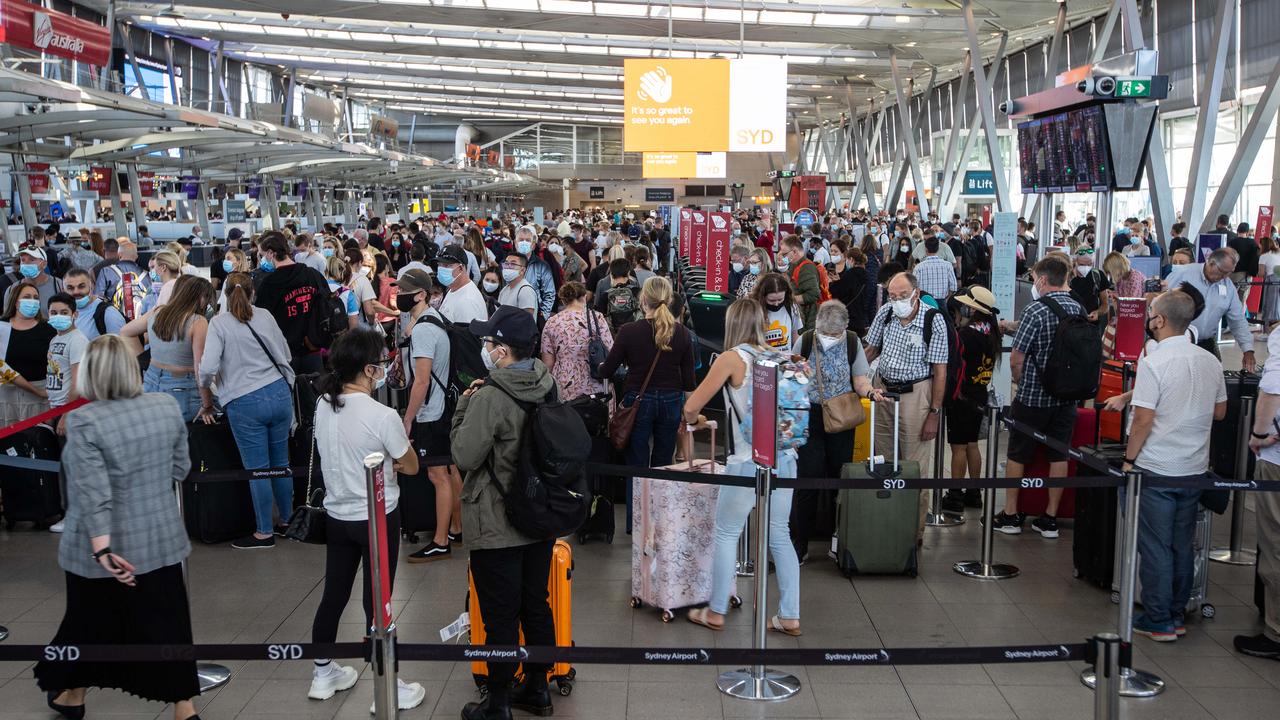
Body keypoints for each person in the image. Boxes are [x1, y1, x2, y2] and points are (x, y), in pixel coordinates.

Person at [33, 335, 200, 720]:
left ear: (90, 374)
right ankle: (184, 707)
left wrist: (104, 548)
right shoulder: (164, 407)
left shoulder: (85, 420)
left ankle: (74, 695)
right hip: (160, 540)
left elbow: (93, 493)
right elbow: (181, 469)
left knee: (88, 623)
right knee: (168, 624)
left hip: (100, 551)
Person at [448, 306, 560, 720]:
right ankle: (537, 688)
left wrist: (464, 407)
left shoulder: (491, 396)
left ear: (503, 352)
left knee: (499, 612)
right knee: (536, 602)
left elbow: (464, 454)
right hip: (540, 513)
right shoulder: (547, 383)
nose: (484, 348)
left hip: (497, 519)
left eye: (488, 343)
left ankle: (497, 702)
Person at [306, 328, 426, 710]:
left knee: (333, 595)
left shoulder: (323, 404)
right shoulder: (383, 414)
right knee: (378, 600)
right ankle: (385, 684)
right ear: (370, 370)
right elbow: (410, 465)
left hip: (337, 515)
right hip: (377, 517)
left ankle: (323, 673)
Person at [683, 298, 802, 635]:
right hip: (785, 457)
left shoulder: (731, 359)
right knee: (780, 534)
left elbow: (692, 406)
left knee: (726, 532)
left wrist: (694, 418)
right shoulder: (780, 356)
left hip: (746, 459)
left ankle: (716, 610)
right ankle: (790, 614)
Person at [1123, 291, 1226, 641]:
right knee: (1183, 544)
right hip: (1194, 467)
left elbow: (1142, 421)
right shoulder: (1210, 360)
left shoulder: (1155, 362)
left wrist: (1128, 460)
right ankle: (1177, 613)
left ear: (1161, 320)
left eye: (1151, 313)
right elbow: (1220, 411)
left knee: (1154, 545)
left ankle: (1159, 618)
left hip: (1156, 467)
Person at [199, 272, 294, 550]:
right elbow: (285, 353)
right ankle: (287, 520)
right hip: (278, 393)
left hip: (244, 401)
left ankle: (264, 531)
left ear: (225, 295)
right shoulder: (264, 315)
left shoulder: (218, 323)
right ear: (253, 293)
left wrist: (207, 393)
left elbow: (206, 368)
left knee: (258, 469)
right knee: (281, 464)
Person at [994, 255, 1085, 537]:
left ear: (1043, 280)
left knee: (1018, 454)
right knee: (1059, 455)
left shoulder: (1036, 310)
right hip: (1068, 397)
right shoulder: (1079, 308)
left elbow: (1016, 358)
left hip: (1033, 397)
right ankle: (1050, 518)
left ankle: (1010, 514)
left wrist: (1022, 383)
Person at [597, 277, 696, 534]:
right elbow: (689, 381)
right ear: (670, 300)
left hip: (637, 403)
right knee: (663, 463)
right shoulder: (683, 333)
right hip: (672, 401)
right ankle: (660, 524)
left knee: (636, 466)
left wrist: (598, 365)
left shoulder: (629, 331)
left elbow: (608, 369)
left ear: (643, 301)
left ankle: (636, 525)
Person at [791, 301, 881, 562]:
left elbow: (860, 379)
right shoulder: (806, 340)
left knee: (838, 478)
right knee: (807, 477)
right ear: (817, 324)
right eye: (825, 333)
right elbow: (793, 378)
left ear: (844, 327)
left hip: (842, 415)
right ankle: (800, 542)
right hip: (810, 414)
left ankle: (836, 538)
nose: (829, 338)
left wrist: (870, 392)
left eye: (834, 334)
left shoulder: (852, 342)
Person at [863, 272, 949, 539]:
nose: (897, 300)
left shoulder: (933, 320)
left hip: (917, 394)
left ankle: (913, 533)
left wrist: (934, 412)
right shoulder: (886, 313)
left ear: (916, 292)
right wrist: (855, 376)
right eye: (892, 295)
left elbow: (940, 371)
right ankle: (885, 523)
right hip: (883, 390)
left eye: (902, 296)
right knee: (883, 459)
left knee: (914, 466)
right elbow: (871, 349)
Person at [398, 270, 464, 563]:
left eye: (404, 290)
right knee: (449, 470)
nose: (399, 294)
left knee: (437, 475)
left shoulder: (424, 329)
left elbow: (421, 381)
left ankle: (439, 542)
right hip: (444, 408)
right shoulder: (434, 319)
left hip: (432, 412)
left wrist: (408, 417)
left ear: (421, 294)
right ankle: (455, 528)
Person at [940, 286, 1000, 514]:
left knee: (958, 447)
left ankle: (955, 495)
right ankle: (974, 492)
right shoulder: (990, 333)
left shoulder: (965, 335)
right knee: (973, 444)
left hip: (961, 396)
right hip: (980, 394)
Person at [121, 275, 212, 423]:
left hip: (151, 381)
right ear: (201, 297)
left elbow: (126, 331)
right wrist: (207, 404)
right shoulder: (198, 321)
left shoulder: (158, 312)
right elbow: (199, 368)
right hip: (182, 388)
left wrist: (145, 360)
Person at [1241, 329, 1280, 660]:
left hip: (1278, 461)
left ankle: (1276, 632)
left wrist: (1258, 434)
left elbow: (1271, 389)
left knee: (1276, 544)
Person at [253, 230, 334, 373]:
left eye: (261, 255)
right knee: (314, 394)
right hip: (314, 349)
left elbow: (261, 322)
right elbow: (328, 305)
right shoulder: (312, 275)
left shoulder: (269, 285)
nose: (261, 260)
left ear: (271, 253)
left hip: (284, 355)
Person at [1165, 248, 1256, 371]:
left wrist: (1248, 349)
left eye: (1229, 273)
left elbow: (1238, 320)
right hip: (1179, 344)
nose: (1225, 277)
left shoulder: (1228, 286)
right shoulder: (1184, 274)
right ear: (1211, 263)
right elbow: (1163, 305)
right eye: (1222, 272)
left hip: (1206, 344)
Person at [541, 282, 614, 401]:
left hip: (565, 381)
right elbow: (610, 349)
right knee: (597, 415)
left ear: (563, 301)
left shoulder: (552, 322)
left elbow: (548, 363)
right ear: (584, 297)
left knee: (568, 416)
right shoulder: (598, 318)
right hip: (595, 380)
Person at [0, 281, 54, 424]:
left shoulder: (49, 329)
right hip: (6, 398)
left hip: (40, 399)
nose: (33, 301)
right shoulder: (2, 327)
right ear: (16, 302)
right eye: (27, 297)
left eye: (36, 298)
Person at [44, 293, 87, 436]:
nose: (58, 316)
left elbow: (78, 382)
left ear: (75, 314)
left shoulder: (77, 340)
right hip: (56, 408)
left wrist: (66, 414)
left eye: (64, 313)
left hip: (70, 410)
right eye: (53, 313)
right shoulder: (54, 339)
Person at [61, 269, 125, 341]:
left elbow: (121, 348)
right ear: (63, 290)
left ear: (91, 286)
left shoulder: (108, 313)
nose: (76, 292)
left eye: (81, 286)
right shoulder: (62, 313)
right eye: (70, 288)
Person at [776, 234, 822, 333]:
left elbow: (813, 294)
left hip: (806, 323)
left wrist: (789, 300)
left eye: (784, 254)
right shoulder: (794, 265)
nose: (782, 256)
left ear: (795, 252)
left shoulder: (806, 268)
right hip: (799, 319)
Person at [436, 245, 489, 324]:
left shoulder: (467, 302)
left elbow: (465, 336)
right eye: (439, 264)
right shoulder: (454, 288)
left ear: (461, 268)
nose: (441, 268)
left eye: (446, 265)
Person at [513, 225, 556, 319]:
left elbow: (549, 294)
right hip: (511, 315)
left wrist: (542, 316)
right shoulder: (506, 264)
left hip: (534, 316)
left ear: (533, 245)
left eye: (527, 240)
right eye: (521, 240)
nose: (524, 242)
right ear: (515, 243)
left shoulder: (542, 266)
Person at [752, 272, 801, 352]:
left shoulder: (791, 306)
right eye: (771, 300)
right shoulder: (754, 309)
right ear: (763, 296)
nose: (776, 304)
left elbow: (795, 334)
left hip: (786, 360)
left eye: (780, 299)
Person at [828, 243, 871, 334]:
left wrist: (833, 284)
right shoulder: (867, 275)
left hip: (849, 318)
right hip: (861, 318)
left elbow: (839, 293)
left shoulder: (850, 274)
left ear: (851, 260)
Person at [4, 247, 62, 312]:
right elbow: (7, 318)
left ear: (44, 264)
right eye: (23, 260)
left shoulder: (58, 285)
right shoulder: (12, 289)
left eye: (31, 260)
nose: (26, 263)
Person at [1070, 247, 1111, 325]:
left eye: (1089, 264)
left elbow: (1105, 305)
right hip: (1070, 323)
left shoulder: (1098, 276)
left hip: (1092, 324)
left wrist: (1097, 312)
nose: (1085, 267)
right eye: (1081, 264)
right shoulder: (1068, 277)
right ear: (1075, 262)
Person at [912, 235, 958, 301]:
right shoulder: (948, 265)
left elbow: (914, 286)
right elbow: (953, 287)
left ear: (926, 249)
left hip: (925, 301)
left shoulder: (919, 267)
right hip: (942, 301)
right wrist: (946, 299)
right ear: (938, 248)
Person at [497, 252, 538, 317]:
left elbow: (526, 319)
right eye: (506, 263)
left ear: (522, 270)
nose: (508, 267)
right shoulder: (504, 290)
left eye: (513, 264)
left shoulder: (525, 290)